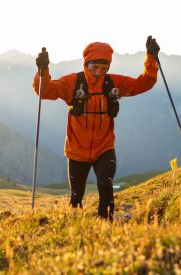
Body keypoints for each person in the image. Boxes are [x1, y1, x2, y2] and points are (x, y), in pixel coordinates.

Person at [33, 36, 160, 220]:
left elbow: (144, 83)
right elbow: (45, 91)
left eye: (104, 68)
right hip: (77, 151)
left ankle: (105, 228)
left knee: (106, 188)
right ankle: (75, 231)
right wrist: (42, 71)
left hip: (104, 148)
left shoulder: (113, 83)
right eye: (95, 67)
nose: (99, 72)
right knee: (76, 197)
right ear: (86, 64)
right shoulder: (72, 82)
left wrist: (151, 57)